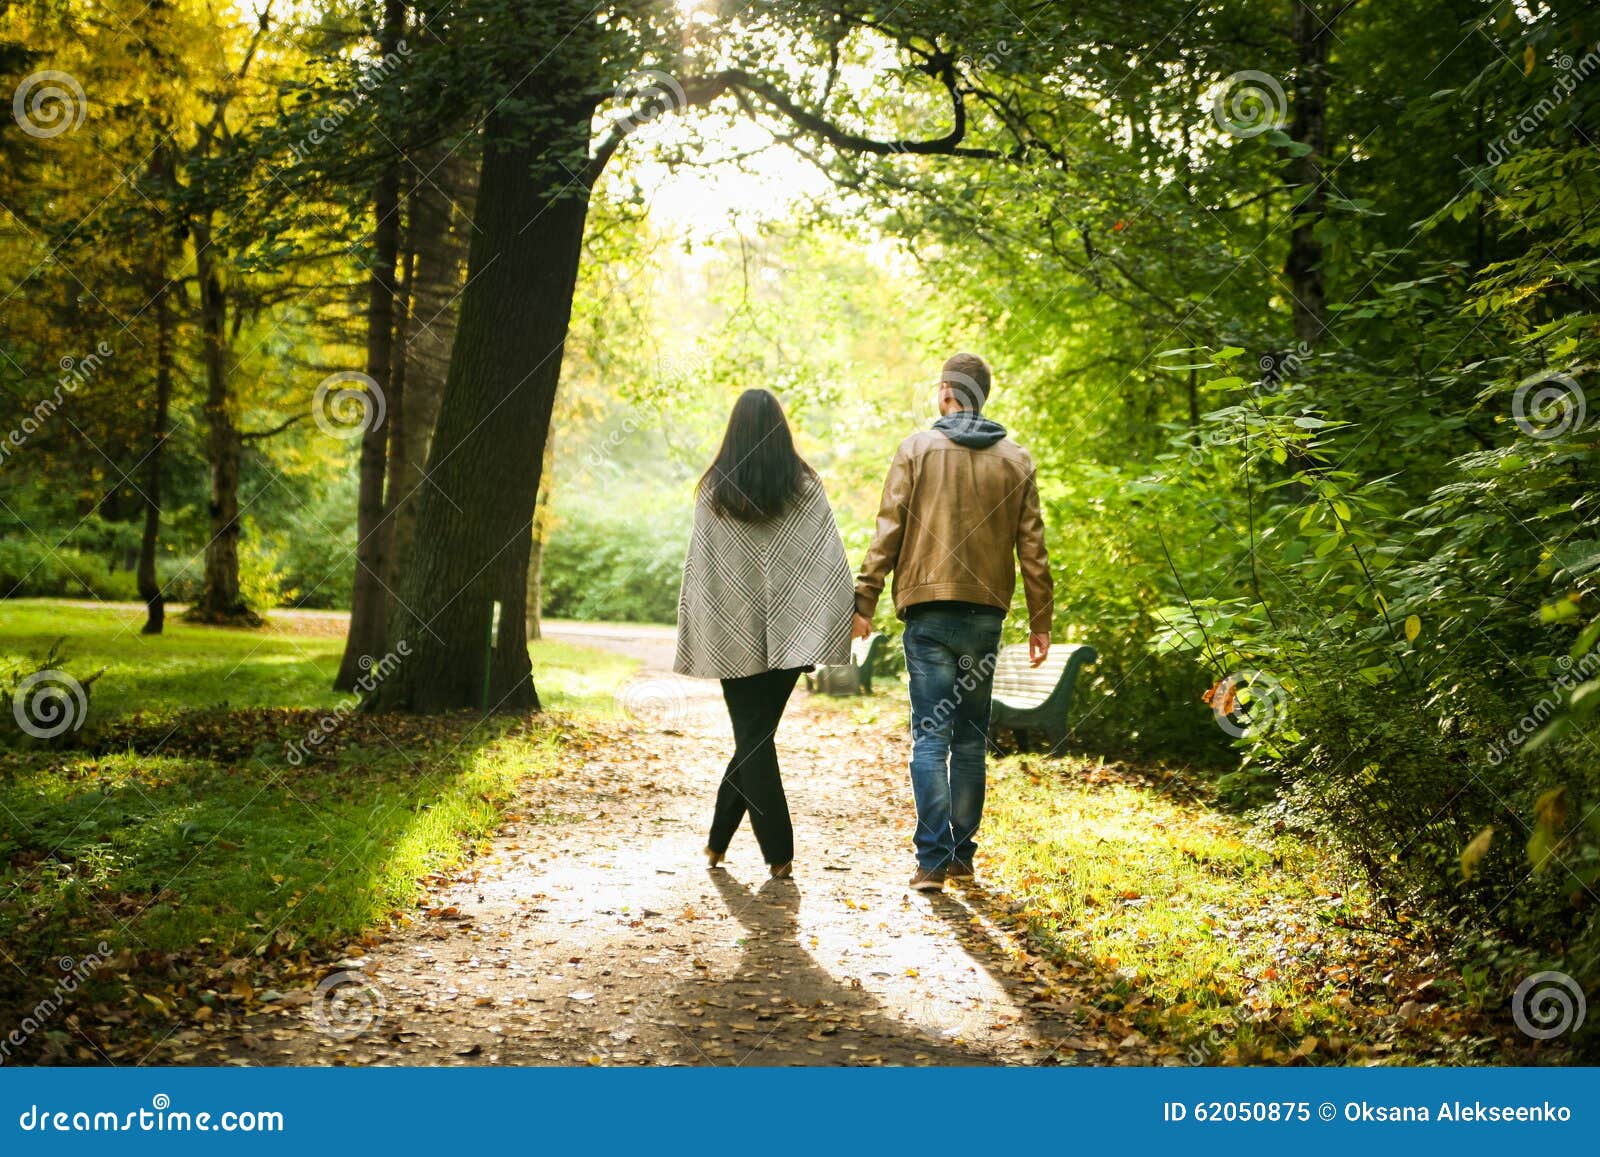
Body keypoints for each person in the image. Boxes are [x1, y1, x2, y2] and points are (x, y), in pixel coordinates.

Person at [853, 353, 1053, 892]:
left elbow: (888, 530)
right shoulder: (1015, 460)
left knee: (930, 737)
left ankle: (933, 860)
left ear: (946, 392)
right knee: (968, 739)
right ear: (981, 395)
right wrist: (1041, 619)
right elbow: (1032, 547)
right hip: (984, 616)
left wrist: (864, 600)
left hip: (928, 611)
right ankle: (961, 855)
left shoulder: (916, 449)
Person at [675, 388, 853, 879]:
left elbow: (701, 573)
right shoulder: (806, 487)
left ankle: (767, 851)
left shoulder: (714, 490)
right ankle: (737, 846)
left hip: (731, 633)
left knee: (752, 737)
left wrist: (704, 626)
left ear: (734, 431)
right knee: (755, 736)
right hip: (794, 634)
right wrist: (834, 613)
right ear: (781, 430)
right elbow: (827, 562)